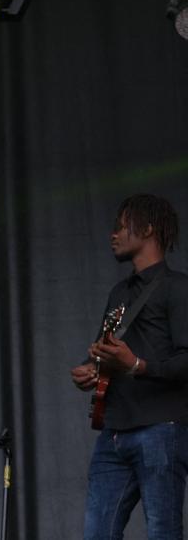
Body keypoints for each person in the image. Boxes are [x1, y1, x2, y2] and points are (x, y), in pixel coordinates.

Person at [71, 194, 188, 539]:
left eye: (122, 226)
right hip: (114, 433)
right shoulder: (119, 292)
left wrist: (136, 365)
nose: (114, 234)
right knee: (97, 534)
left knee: (163, 533)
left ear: (148, 228)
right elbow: (104, 353)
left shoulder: (178, 288)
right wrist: (90, 370)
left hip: (161, 430)